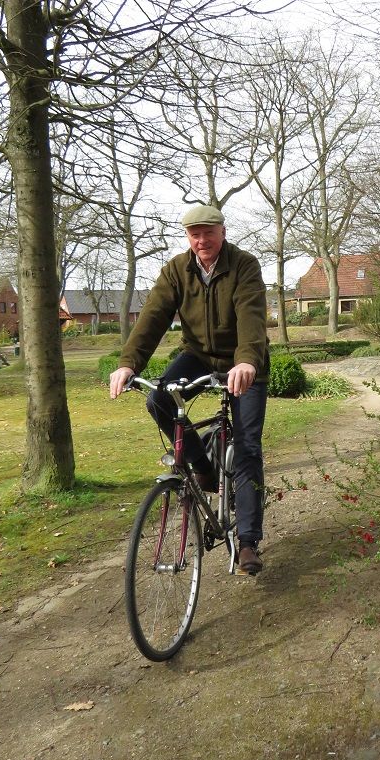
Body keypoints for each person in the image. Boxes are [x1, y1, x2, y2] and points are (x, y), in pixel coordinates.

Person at [109, 204, 269, 575]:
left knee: (246, 447)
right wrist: (128, 363)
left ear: (222, 231)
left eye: (208, 232)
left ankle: (247, 541)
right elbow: (152, 317)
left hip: (244, 360)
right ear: (188, 237)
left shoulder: (244, 265)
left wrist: (246, 361)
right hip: (197, 356)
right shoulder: (177, 270)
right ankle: (204, 467)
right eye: (194, 234)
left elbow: (252, 318)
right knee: (159, 400)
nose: (202, 240)